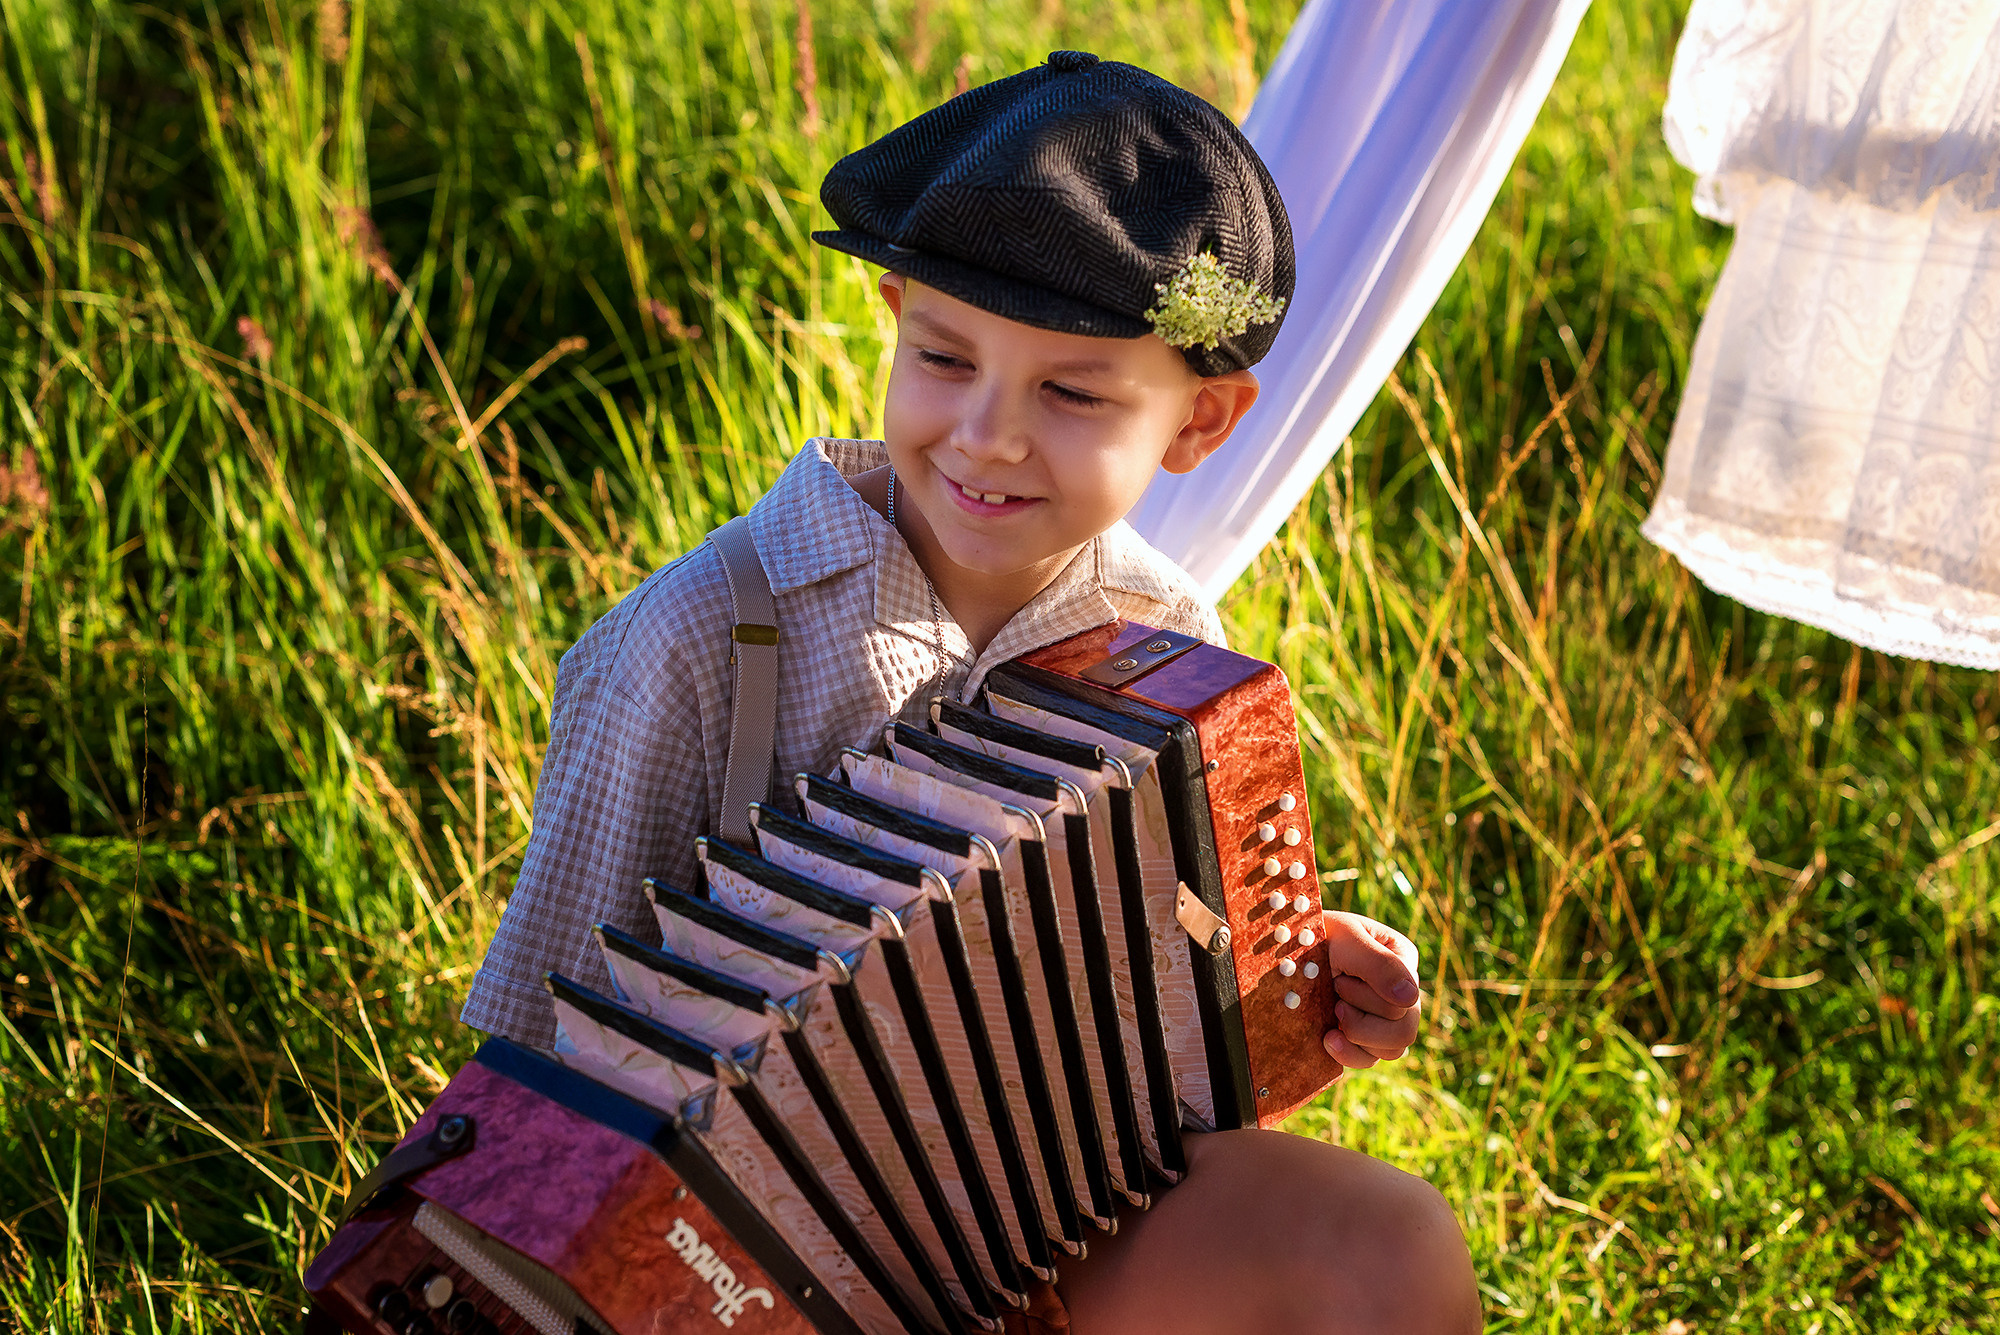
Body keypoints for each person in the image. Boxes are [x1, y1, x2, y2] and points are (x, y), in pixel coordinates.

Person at [462, 50, 1480, 1335]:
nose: (988, 435)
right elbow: (531, 1043)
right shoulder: (703, 633)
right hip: (728, 1252)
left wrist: (1285, 981)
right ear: (892, 312)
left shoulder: (1160, 635)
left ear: (1199, 423)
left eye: (1070, 392)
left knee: (1385, 1251)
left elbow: (1162, 1015)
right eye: (946, 359)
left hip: (1033, 1233)